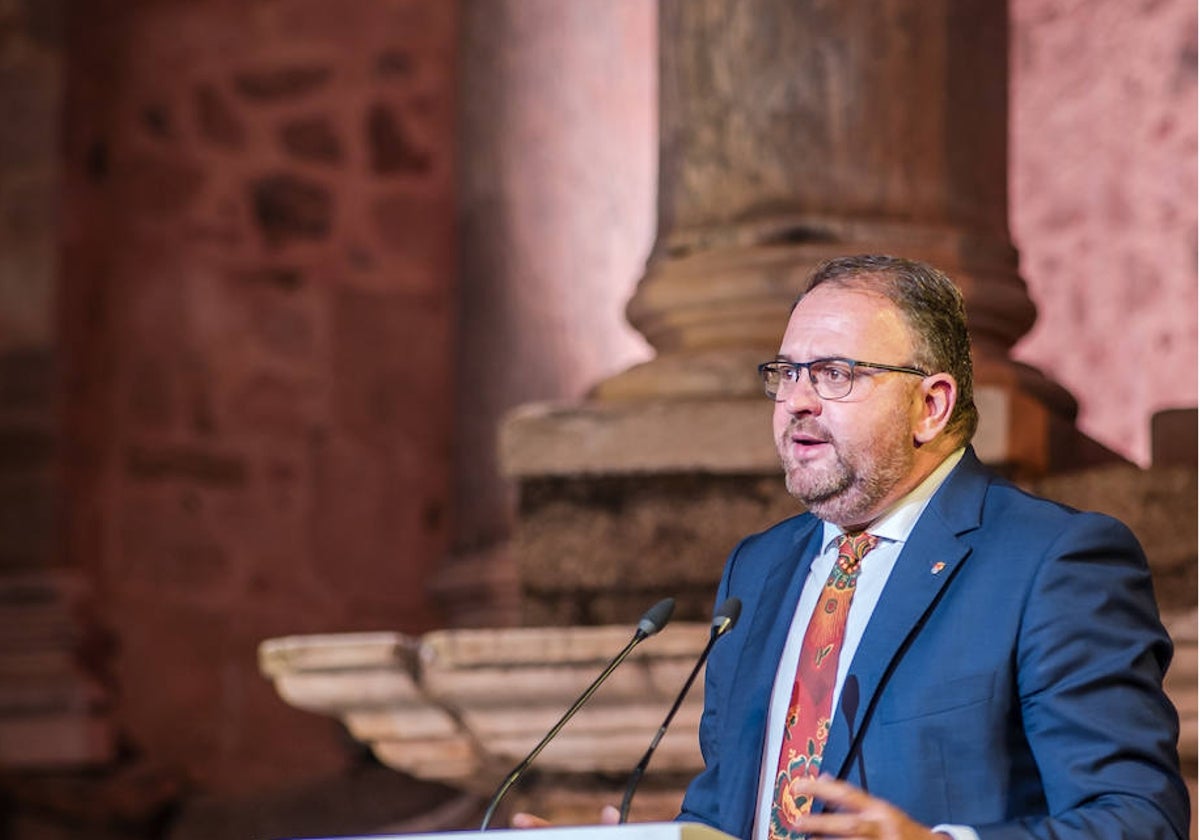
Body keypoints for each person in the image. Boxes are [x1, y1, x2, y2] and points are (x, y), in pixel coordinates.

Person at [673, 254, 1189, 840]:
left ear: (931, 406)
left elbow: (1140, 821)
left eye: (834, 374)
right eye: (787, 373)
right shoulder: (757, 568)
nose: (797, 401)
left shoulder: (1055, 563)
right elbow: (724, 812)